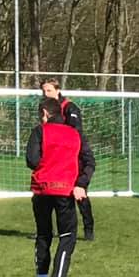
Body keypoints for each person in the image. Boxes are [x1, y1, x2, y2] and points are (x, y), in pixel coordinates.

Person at [26, 95, 94, 277]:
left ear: (45, 114)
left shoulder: (39, 131)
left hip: (42, 189)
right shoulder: (75, 134)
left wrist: (46, 164)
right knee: (67, 236)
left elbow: (32, 160)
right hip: (65, 190)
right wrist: (81, 182)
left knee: (43, 234)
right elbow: (89, 161)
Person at [40, 77, 94, 242]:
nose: (46, 94)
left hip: (74, 156)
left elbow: (76, 133)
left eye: (49, 90)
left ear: (57, 90)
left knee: (79, 193)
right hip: (58, 158)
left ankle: (88, 229)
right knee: (53, 193)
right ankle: (49, 230)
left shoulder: (70, 108)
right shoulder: (45, 108)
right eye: (43, 91)